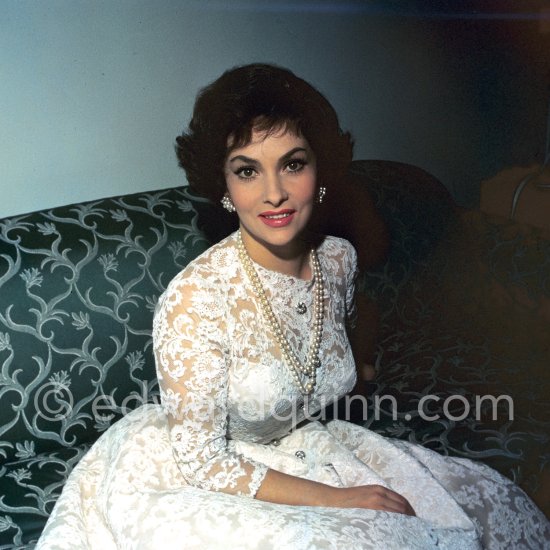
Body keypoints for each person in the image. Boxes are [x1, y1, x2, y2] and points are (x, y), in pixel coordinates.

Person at [37, 63, 549, 549]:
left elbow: (346, 344)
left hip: (308, 446)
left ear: (320, 170)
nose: (275, 193)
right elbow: (204, 464)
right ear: (223, 187)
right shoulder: (195, 298)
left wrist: (363, 373)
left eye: (293, 164)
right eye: (247, 171)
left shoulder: (340, 259)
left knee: (488, 506)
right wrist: (340, 500)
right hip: (201, 473)